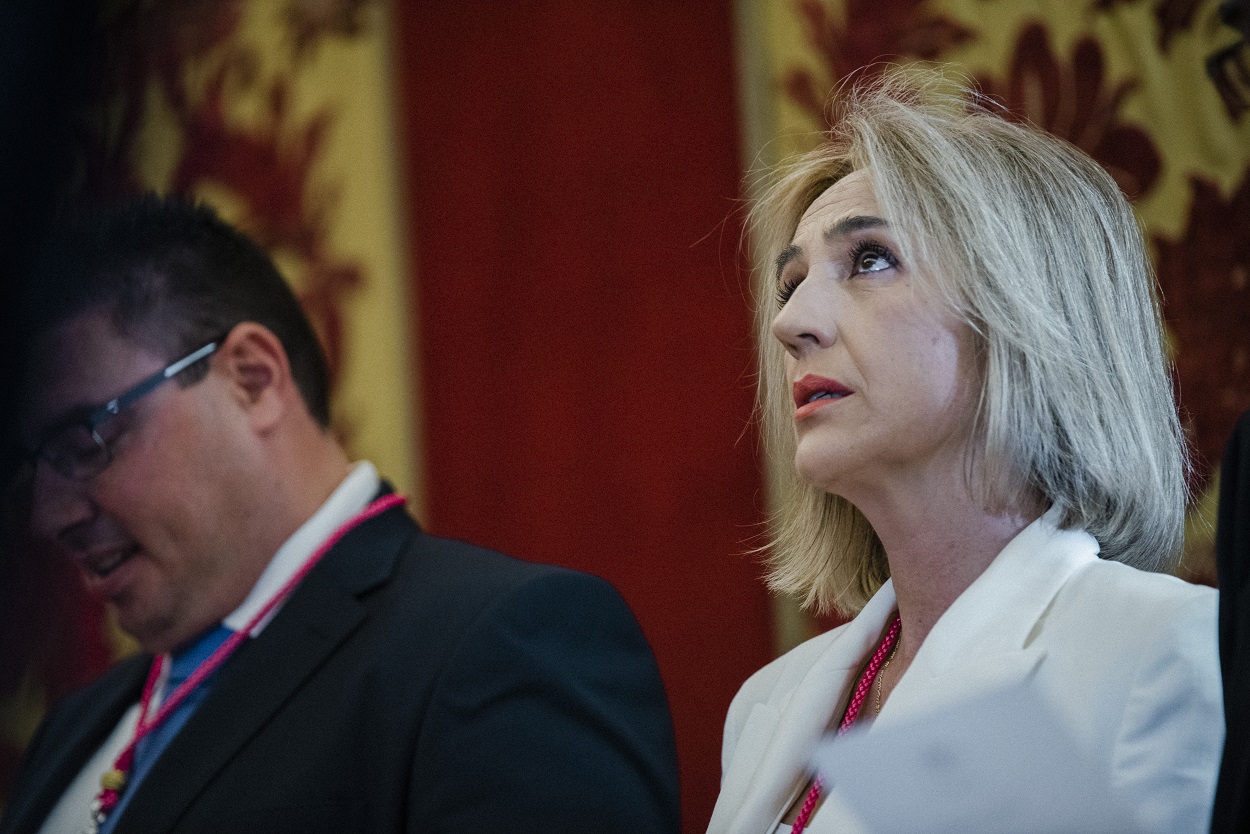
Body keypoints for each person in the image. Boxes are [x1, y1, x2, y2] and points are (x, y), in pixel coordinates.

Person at [0, 195, 680, 834]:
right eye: (32, 463)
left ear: (251, 379)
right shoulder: (74, 727)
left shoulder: (498, 647)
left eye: (84, 441)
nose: (49, 513)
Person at [707, 68, 1223, 834]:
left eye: (870, 259)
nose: (792, 323)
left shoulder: (1165, 652)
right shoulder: (765, 703)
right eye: (791, 283)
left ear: (1027, 310)